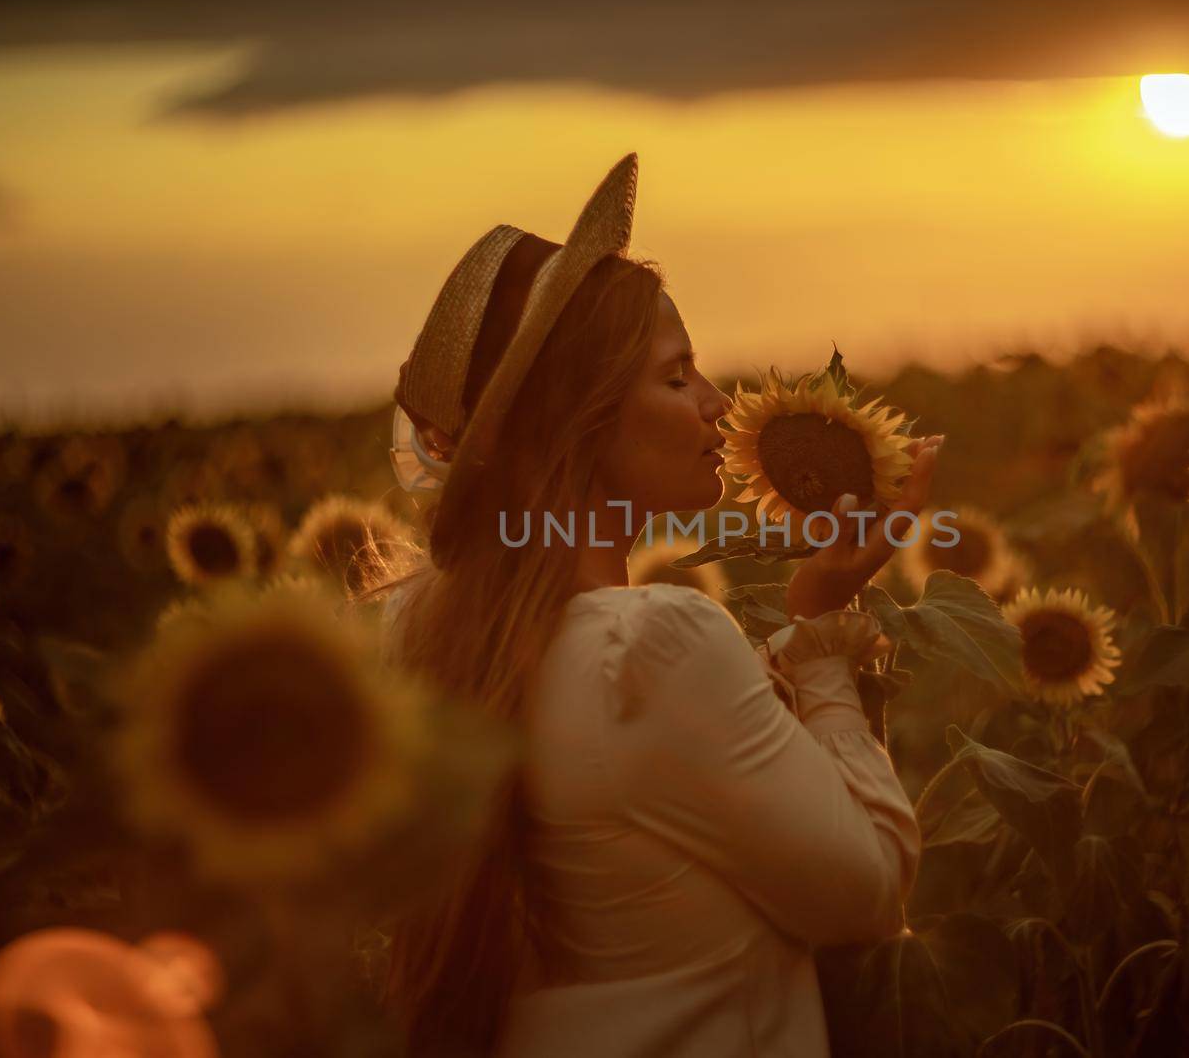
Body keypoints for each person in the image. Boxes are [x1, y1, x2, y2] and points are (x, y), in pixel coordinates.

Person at [376, 152, 941, 1057]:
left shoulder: (423, 636)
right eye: (677, 378)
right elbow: (868, 892)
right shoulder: (654, 649)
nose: (718, 405)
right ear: (583, 420)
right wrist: (824, 633)